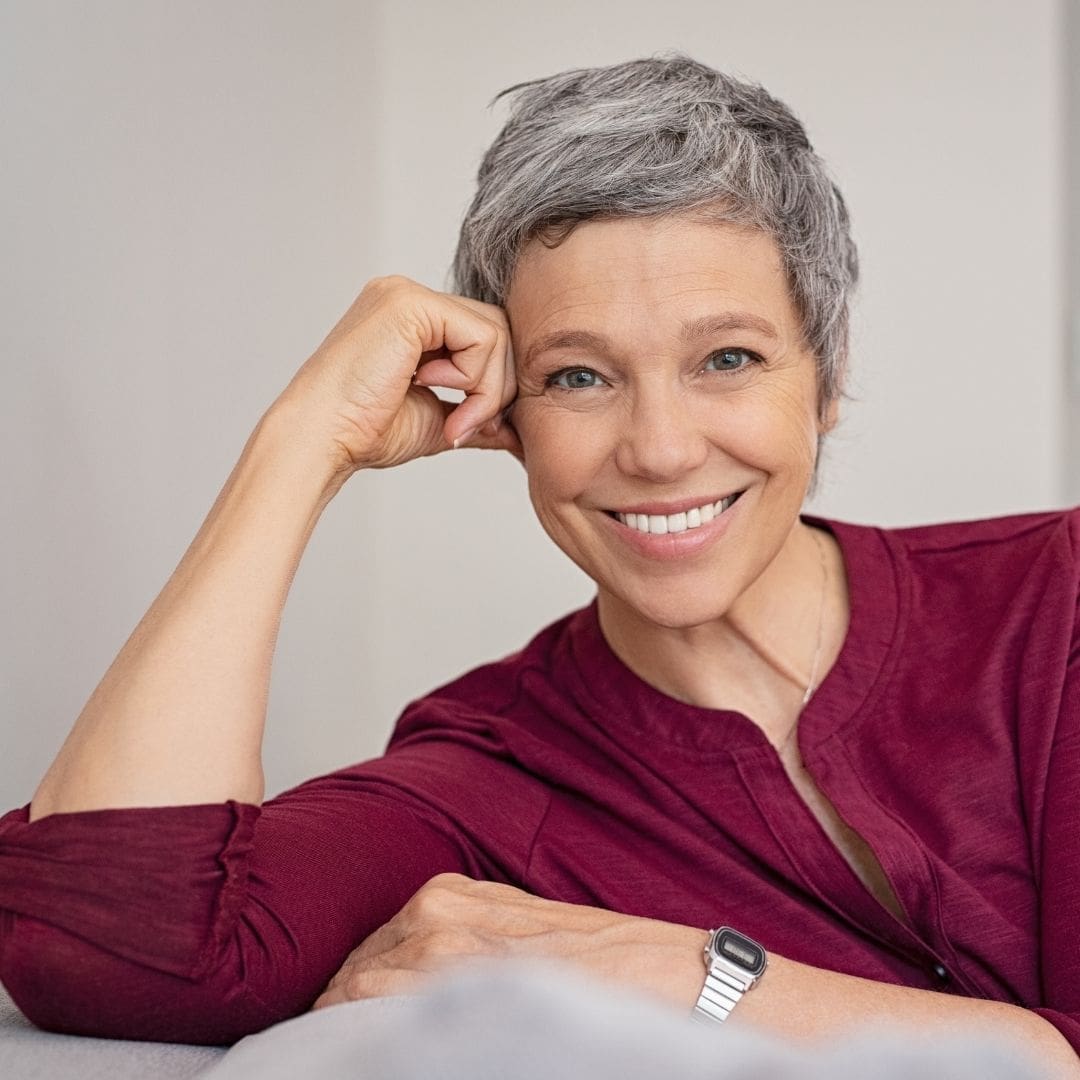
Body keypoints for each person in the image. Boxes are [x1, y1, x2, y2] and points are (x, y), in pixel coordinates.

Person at [0, 54, 1077, 1071]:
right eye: (578, 378)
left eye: (729, 359)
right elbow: (114, 944)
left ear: (827, 376)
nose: (658, 447)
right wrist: (305, 440)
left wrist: (699, 977)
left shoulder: (1057, 601)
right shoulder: (488, 776)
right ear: (503, 417)